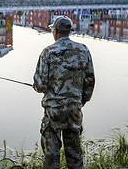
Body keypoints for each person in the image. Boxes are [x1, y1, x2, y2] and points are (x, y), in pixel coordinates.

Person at [33, 16, 95, 169]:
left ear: (55, 31)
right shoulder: (83, 50)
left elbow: (40, 85)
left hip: (54, 111)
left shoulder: (48, 52)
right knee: (74, 154)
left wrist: (36, 86)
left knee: (51, 155)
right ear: (69, 32)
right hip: (74, 109)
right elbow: (90, 81)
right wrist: (80, 101)